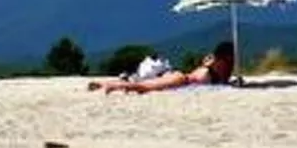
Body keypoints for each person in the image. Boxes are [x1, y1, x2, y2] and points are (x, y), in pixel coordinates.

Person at [87, 41, 238, 94]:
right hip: (181, 79)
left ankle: (104, 84)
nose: (232, 63)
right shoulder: (217, 67)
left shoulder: (214, 65)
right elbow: (220, 79)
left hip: (179, 77)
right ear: (225, 58)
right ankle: (113, 86)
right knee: (144, 87)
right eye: (231, 58)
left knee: (144, 85)